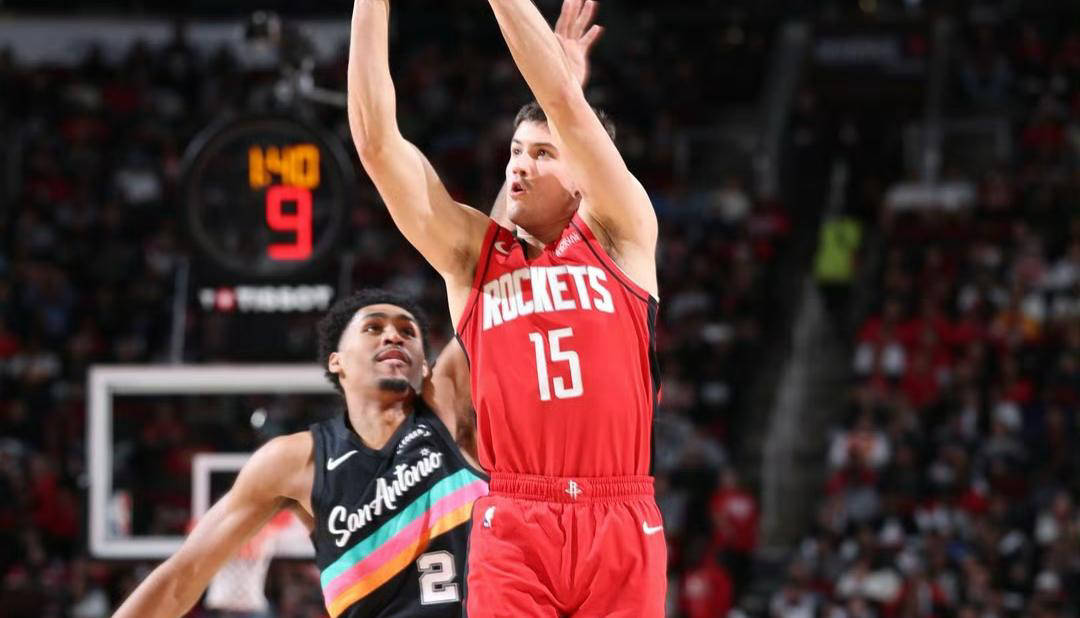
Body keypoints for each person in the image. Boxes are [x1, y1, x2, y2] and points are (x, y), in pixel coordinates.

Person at [347, 0, 666, 613]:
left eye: (542, 153)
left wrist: (561, 87)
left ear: (584, 174)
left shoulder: (621, 236)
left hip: (620, 515)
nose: (519, 164)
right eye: (515, 150)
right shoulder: (473, 257)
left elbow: (566, 106)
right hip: (516, 518)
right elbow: (376, 145)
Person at [112, 289, 488, 618]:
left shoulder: (447, 410)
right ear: (336, 360)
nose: (393, 335)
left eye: (408, 332)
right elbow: (183, 576)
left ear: (424, 364)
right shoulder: (296, 460)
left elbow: (482, 283)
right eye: (373, 327)